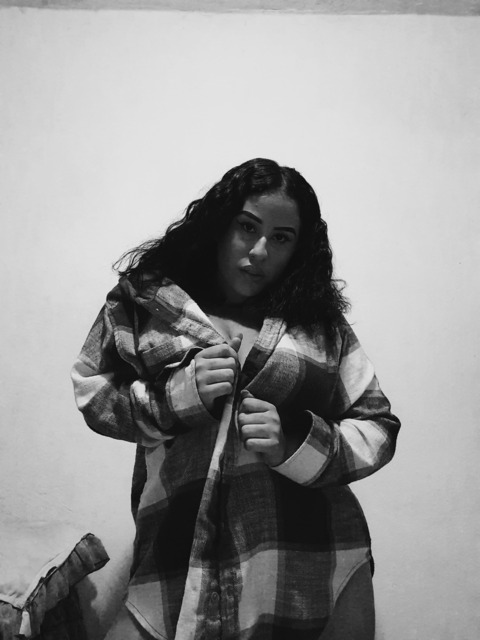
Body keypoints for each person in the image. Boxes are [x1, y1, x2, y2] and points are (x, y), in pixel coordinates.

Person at [71, 158, 400, 640]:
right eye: (247, 227)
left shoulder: (320, 326)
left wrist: (294, 441)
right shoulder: (148, 303)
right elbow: (93, 391)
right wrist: (178, 396)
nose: (260, 251)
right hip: (176, 559)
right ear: (219, 224)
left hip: (315, 563)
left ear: (299, 248)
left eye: (282, 238)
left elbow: (377, 425)